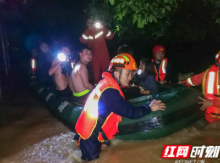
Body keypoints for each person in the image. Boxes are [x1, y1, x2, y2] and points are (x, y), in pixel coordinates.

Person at [74, 53, 166, 161]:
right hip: (89, 139)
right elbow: (131, 112)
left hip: (87, 134)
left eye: (132, 73)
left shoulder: (106, 83)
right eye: (128, 73)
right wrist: (149, 108)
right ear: (117, 73)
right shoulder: (110, 92)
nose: (130, 77)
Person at [181, 51, 220, 124]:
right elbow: (195, 80)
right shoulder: (209, 73)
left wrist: (213, 103)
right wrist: (183, 83)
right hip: (209, 117)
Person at [79, 19, 113, 84]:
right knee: (96, 78)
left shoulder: (100, 30)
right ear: (87, 24)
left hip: (104, 56)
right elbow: (82, 40)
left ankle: (109, 89)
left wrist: (102, 28)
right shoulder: (88, 33)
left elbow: (111, 36)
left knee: (107, 75)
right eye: (89, 23)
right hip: (94, 58)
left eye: (92, 22)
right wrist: (88, 29)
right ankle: (96, 92)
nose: (91, 24)